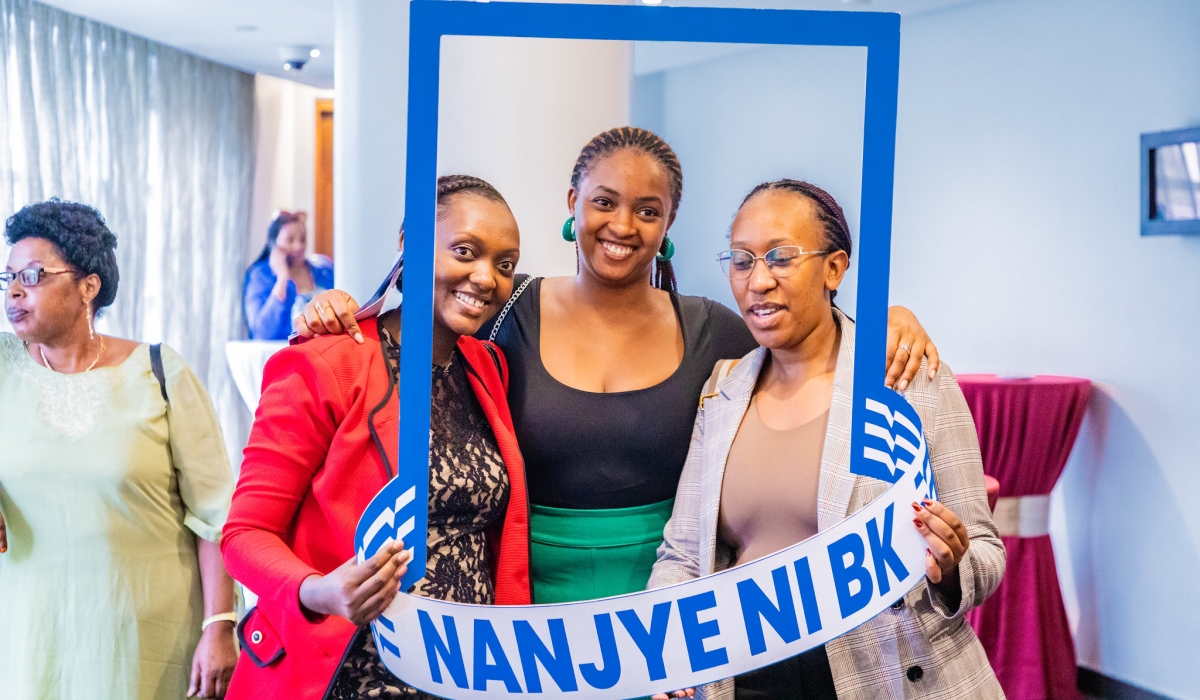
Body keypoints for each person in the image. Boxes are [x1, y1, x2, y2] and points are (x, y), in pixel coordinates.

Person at [298, 127, 941, 604]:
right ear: (573, 201)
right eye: (605, 201)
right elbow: (421, 319)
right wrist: (329, 304)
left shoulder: (713, 327)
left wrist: (889, 318)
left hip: (672, 603)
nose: (623, 225)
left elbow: (804, 337)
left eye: (649, 210)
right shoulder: (504, 303)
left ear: (668, 226)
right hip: (519, 602)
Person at [648, 180, 1004, 699]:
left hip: (890, 678)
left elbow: (985, 552)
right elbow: (682, 552)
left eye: (781, 257)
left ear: (834, 268)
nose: (758, 280)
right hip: (745, 680)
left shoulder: (906, 379)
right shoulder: (722, 392)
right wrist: (668, 656)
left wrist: (949, 569)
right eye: (742, 260)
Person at [221, 176, 531, 700]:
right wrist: (318, 591)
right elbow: (244, 535)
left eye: (505, 265)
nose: (485, 277)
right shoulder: (325, 362)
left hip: (467, 678)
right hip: (351, 675)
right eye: (465, 251)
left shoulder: (487, 367)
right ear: (411, 246)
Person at [0, 200, 238, 700]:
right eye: (9, 277)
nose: (15, 291)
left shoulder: (159, 372)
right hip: (29, 639)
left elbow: (216, 516)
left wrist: (220, 625)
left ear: (89, 286)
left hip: (145, 640)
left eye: (34, 275)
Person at [243, 211, 334, 340]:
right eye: (290, 240)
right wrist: (282, 279)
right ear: (274, 243)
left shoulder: (323, 269)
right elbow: (262, 334)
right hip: (286, 353)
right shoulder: (260, 275)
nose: (298, 246)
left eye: (303, 239)